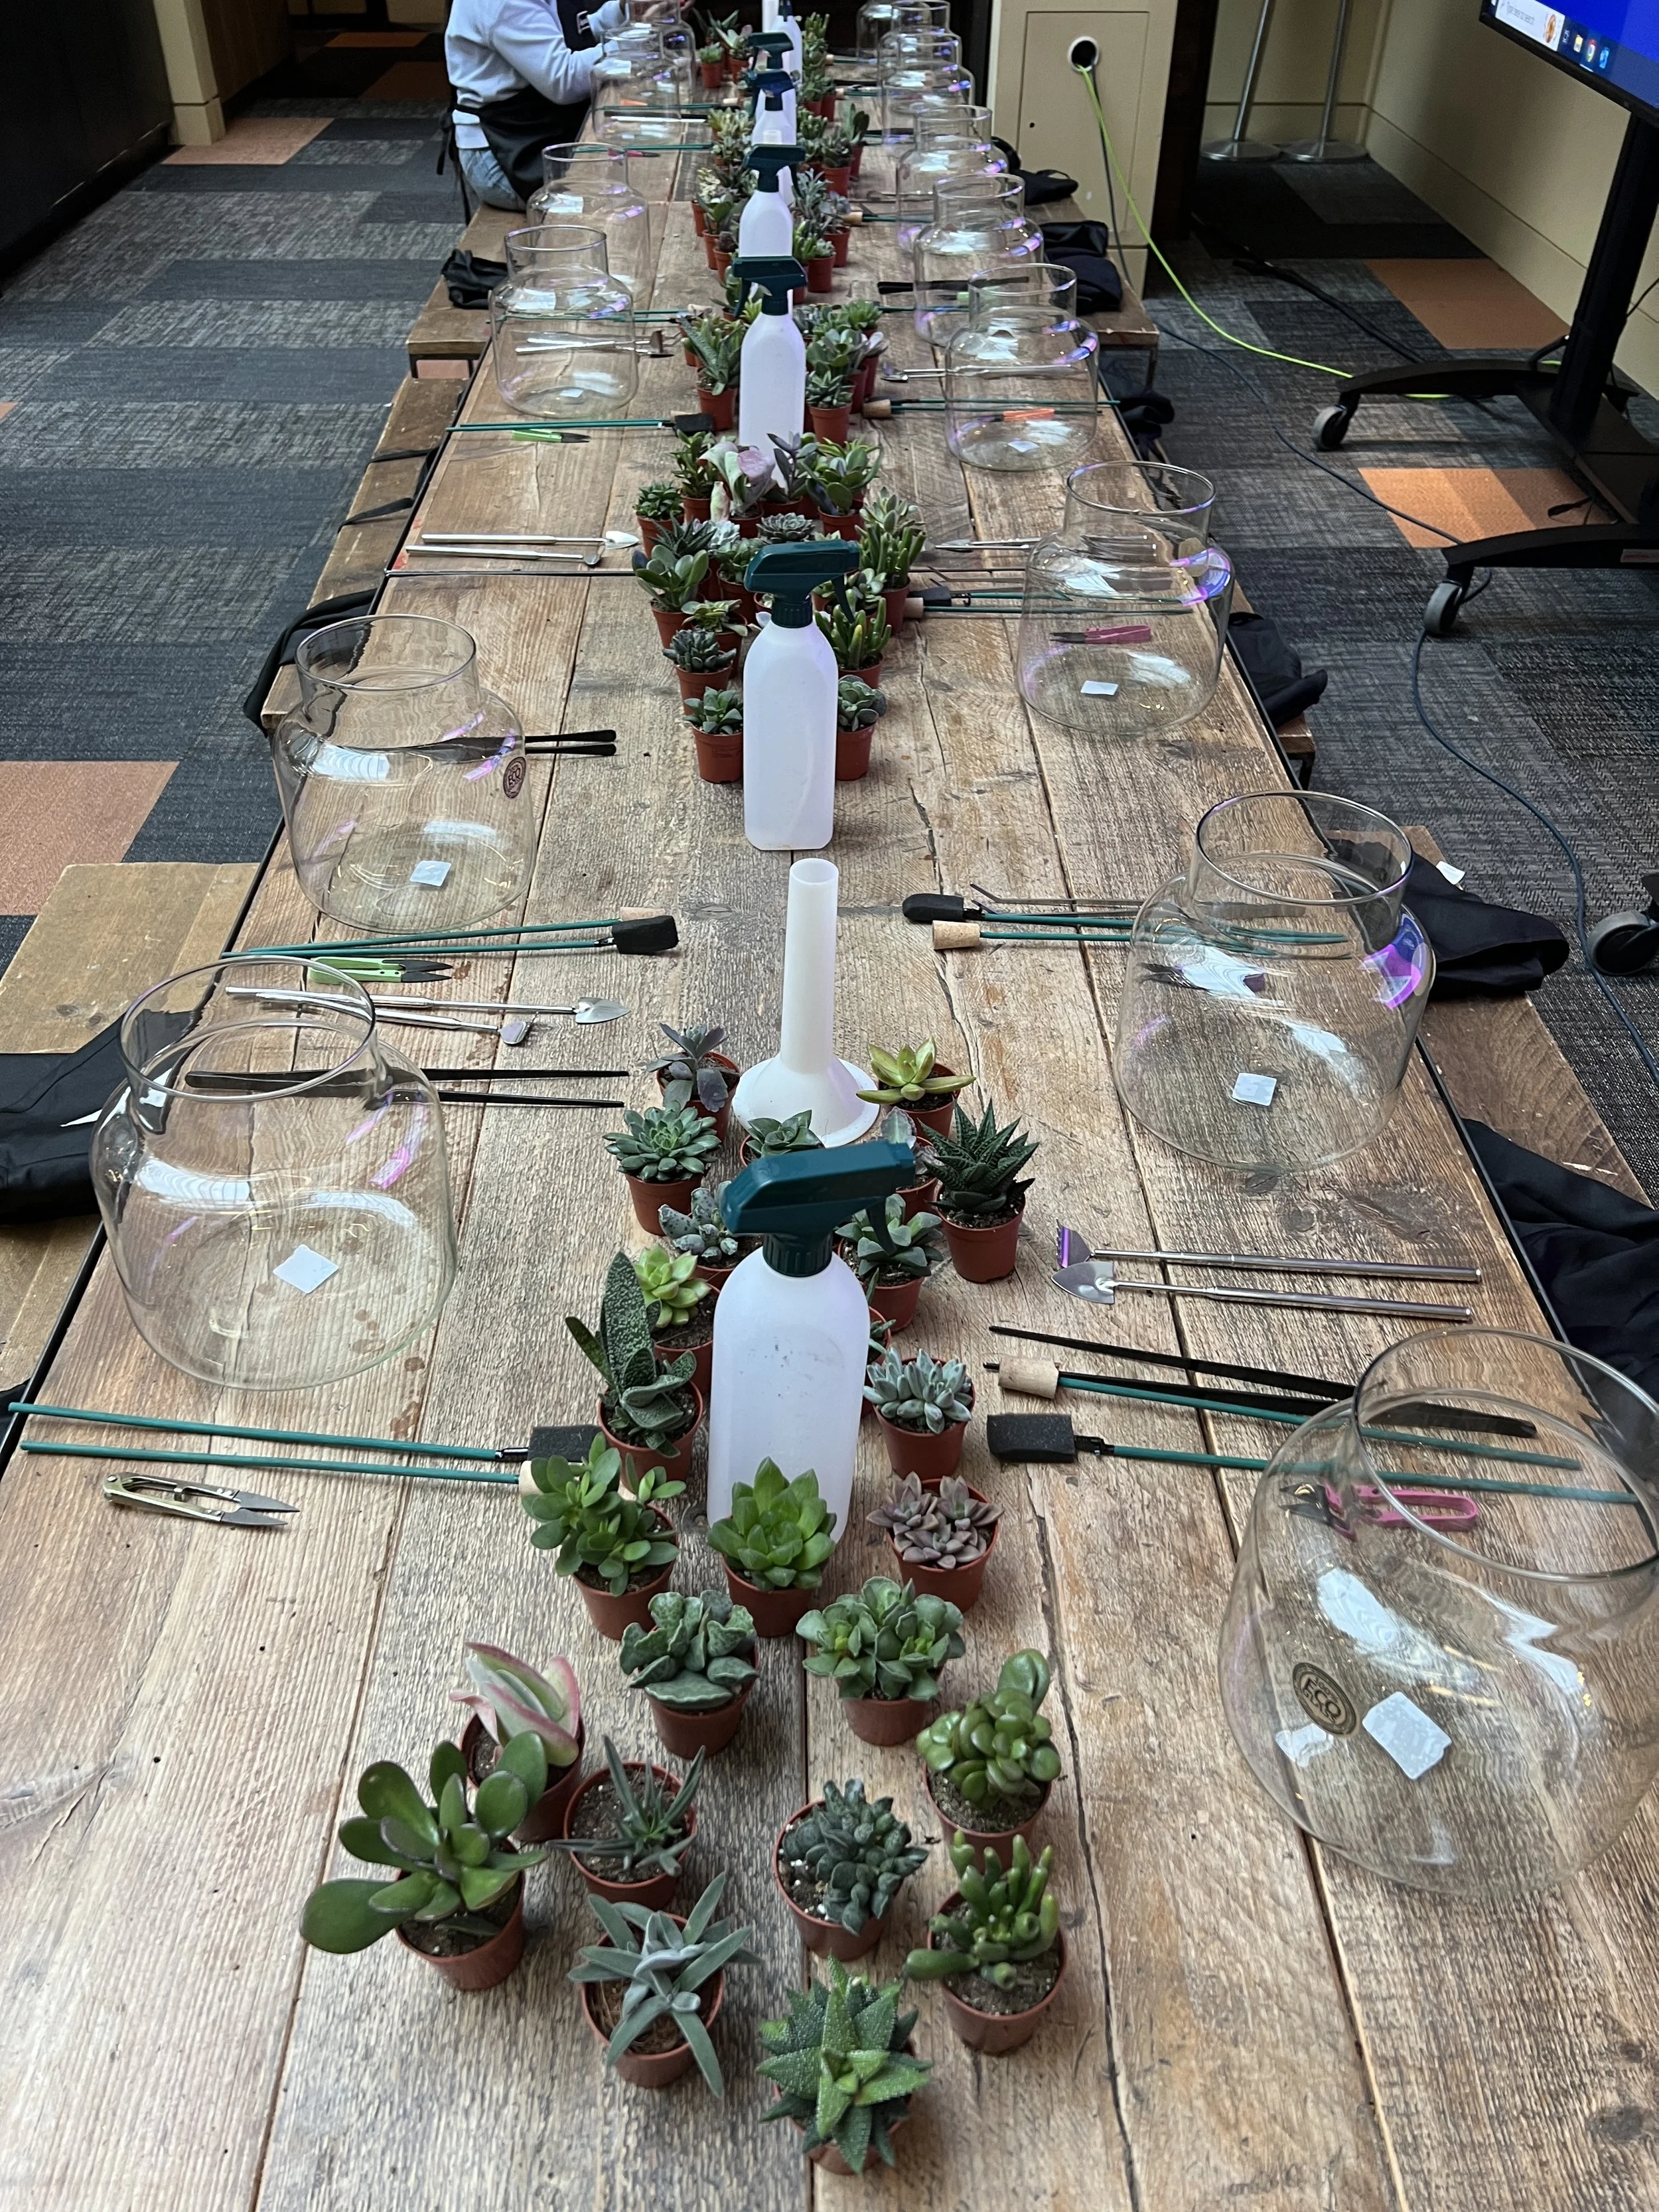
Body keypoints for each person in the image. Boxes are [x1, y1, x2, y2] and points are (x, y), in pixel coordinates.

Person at [447, 0, 636, 210]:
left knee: (635, 172)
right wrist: (636, 43)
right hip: (508, 156)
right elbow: (563, 80)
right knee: (618, 202)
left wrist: (623, 10)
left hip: (537, 133)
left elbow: (573, 32)